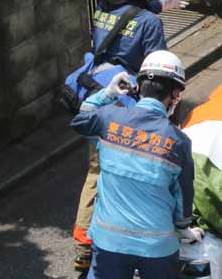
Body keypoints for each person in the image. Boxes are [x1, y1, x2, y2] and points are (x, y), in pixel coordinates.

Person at [71, 0, 189, 272]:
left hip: (99, 94)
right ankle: (97, 241)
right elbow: (156, 70)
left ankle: (84, 243)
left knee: (96, 169)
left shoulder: (103, 4)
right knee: (123, 169)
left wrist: (159, 5)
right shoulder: (149, 23)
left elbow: (127, 13)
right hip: (127, 105)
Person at [71, 50, 201, 279]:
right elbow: (183, 198)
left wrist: (106, 94)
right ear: (174, 95)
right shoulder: (179, 142)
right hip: (157, 247)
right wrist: (182, 227)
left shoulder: (108, 118)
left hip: (108, 242)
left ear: (138, 87)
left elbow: (80, 120)